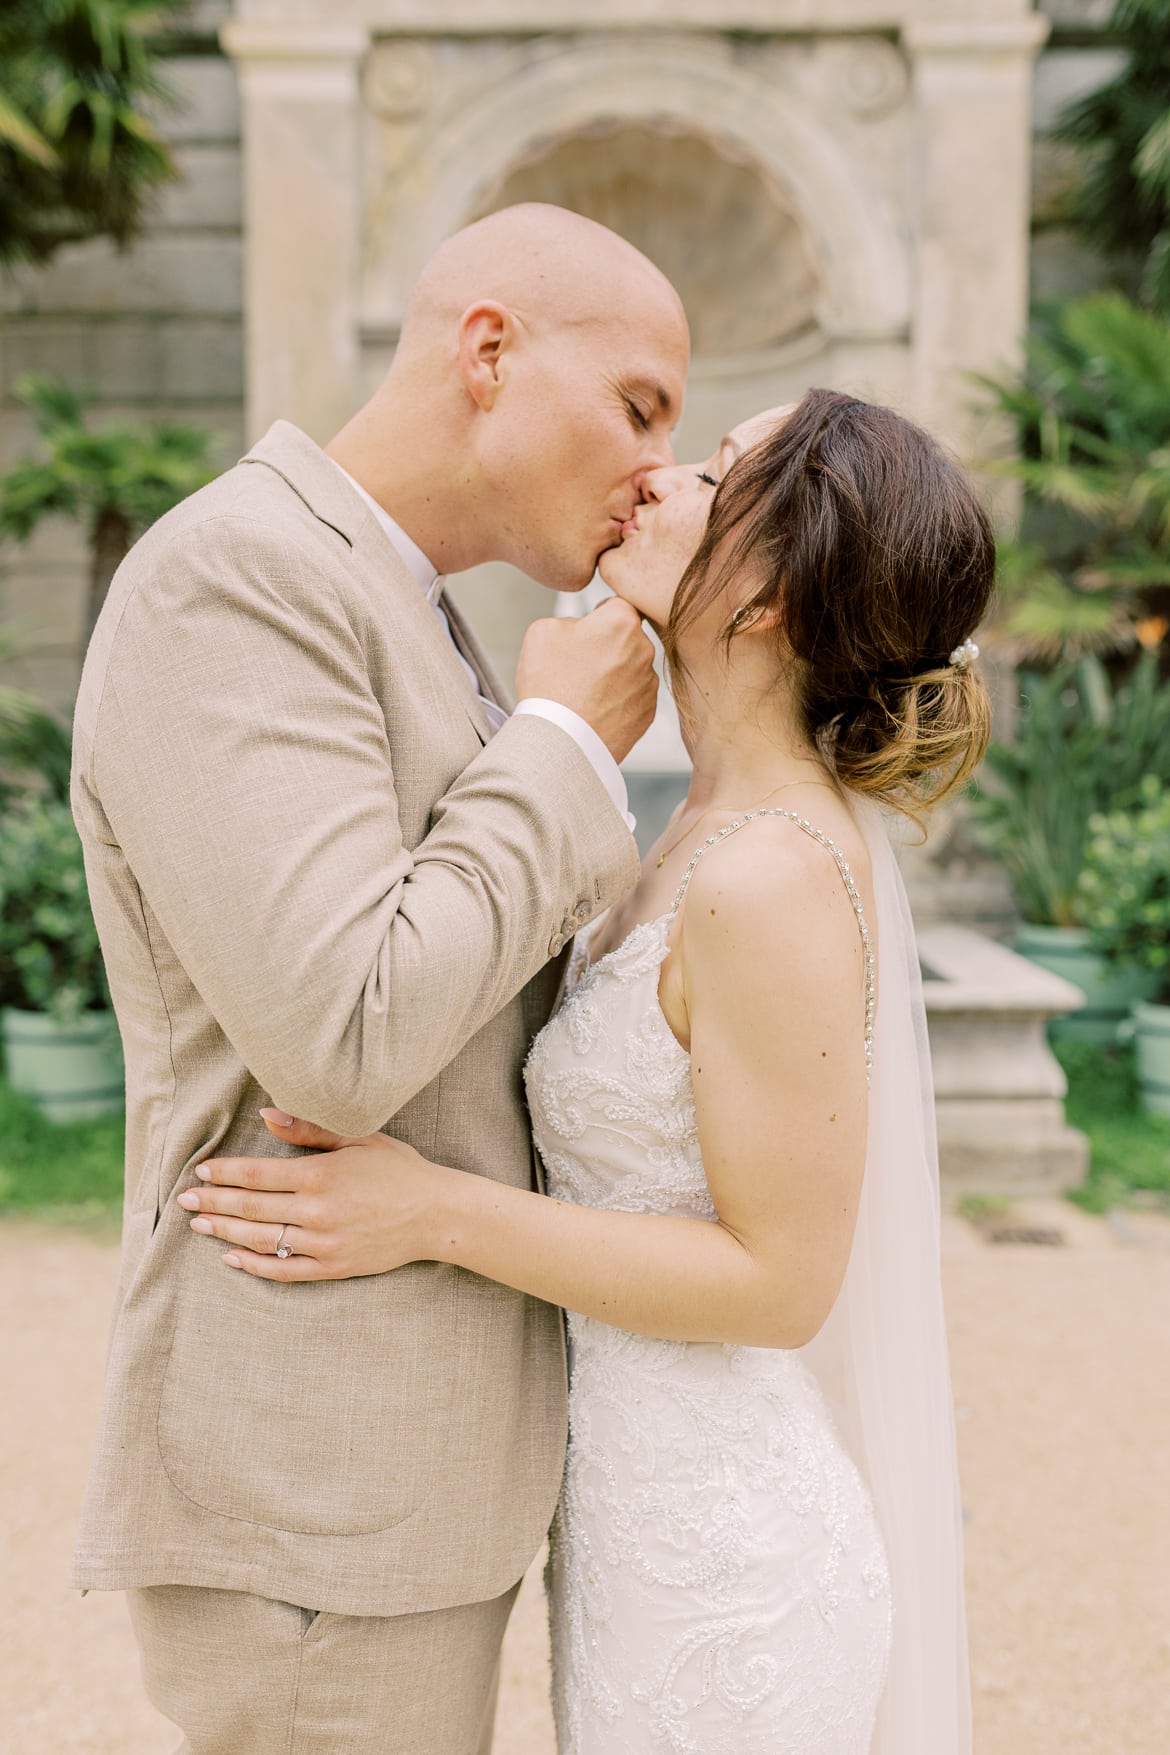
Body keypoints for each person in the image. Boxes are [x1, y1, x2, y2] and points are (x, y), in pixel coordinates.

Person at [184, 388, 997, 1753]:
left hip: (725, 1565)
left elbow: (780, 1284)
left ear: (767, 604)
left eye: (710, 475)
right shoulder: (695, 827)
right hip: (635, 1528)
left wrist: (429, 1210)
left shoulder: (770, 877)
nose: (654, 481)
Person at [70, 203, 690, 1755]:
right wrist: (558, 747)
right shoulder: (237, 577)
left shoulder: (408, 602)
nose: (649, 470)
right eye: (637, 408)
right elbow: (343, 1032)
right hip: (314, 1493)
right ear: (489, 350)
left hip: (409, 1482)